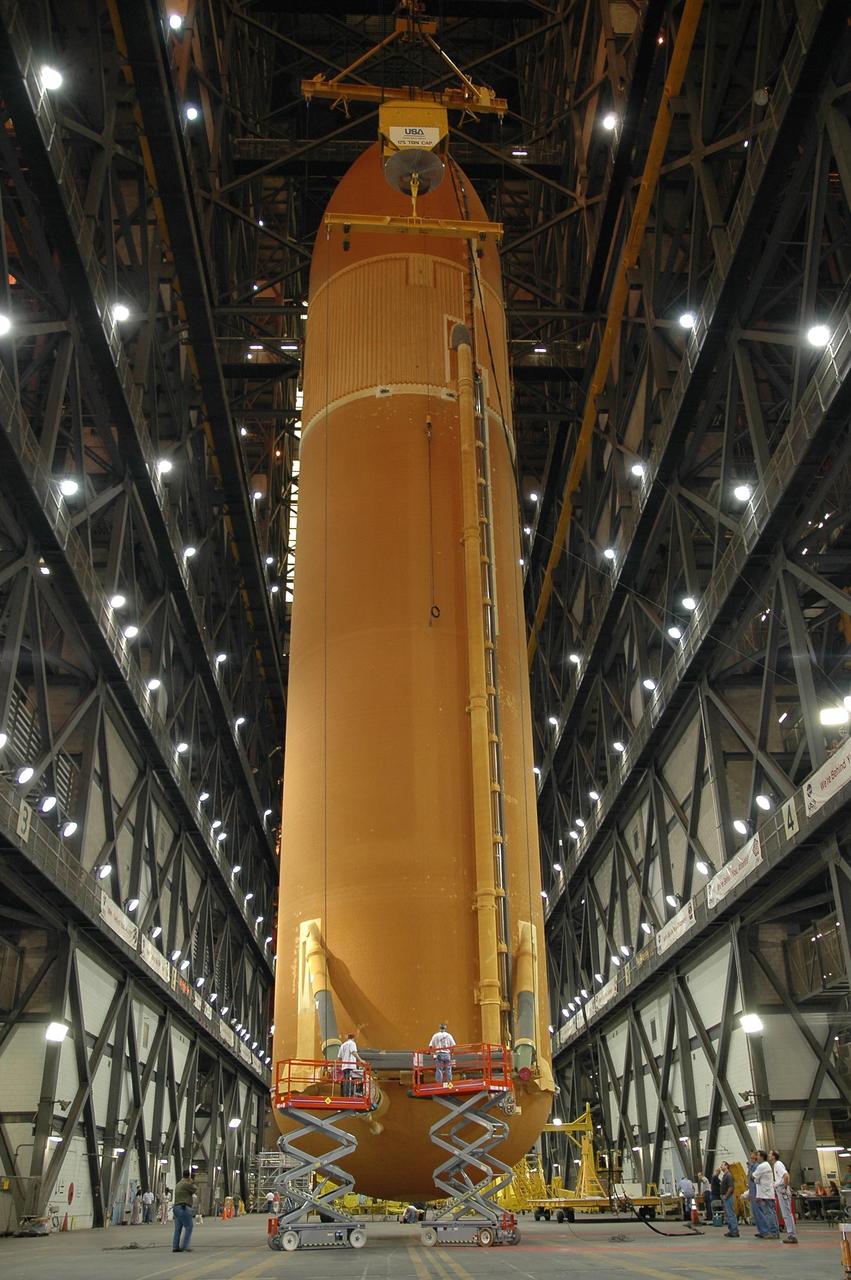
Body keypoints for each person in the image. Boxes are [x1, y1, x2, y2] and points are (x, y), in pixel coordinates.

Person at [769, 1149, 798, 1244]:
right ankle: (791, 1234)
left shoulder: (777, 1164)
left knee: (786, 1214)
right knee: (786, 1213)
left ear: (774, 1156)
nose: (769, 1155)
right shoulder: (776, 1165)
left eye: (770, 1154)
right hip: (780, 1188)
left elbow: (786, 1176)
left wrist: (784, 1188)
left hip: (782, 1189)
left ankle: (792, 1235)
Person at [752, 1149, 779, 1238]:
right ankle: (775, 1232)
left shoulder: (762, 1166)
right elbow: (756, 1179)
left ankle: (773, 1233)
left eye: (758, 1155)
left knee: (768, 1214)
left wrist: (756, 1179)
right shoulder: (766, 1165)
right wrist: (756, 1179)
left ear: (762, 1156)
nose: (757, 1157)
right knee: (771, 1213)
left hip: (765, 1194)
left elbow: (753, 1177)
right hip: (767, 1193)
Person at [172, 1168, 197, 1253]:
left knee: (178, 1228)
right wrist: (192, 1181)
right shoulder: (186, 1184)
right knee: (189, 1227)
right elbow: (194, 1189)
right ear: (189, 1176)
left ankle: (175, 1247)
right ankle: (185, 1246)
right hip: (183, 1207)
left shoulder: (178, 1183)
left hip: (176, 1208)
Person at [337, 1031, 364, 1098]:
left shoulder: (343, 1045)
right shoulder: (352, 1043)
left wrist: (342, 1065)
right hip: (350, 1066)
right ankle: (349, 1096)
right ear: (353, 1038)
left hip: (344, 1067)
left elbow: (339, 1057)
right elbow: (353, 1052)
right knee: (349, 1081)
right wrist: (360, 1060)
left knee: (345, 1081)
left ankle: (345, 1095)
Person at [720, 1161, 739, 1237]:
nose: (721, 1166)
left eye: (722, 1165)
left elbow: (731, 1187)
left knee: (731, 1214)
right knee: (728, 1214)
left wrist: (726, 1196)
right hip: (725, 1197)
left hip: (728, 1197)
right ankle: (731, 1230)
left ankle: (734, 1231)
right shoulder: (725, 1175)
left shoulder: (728, 1175)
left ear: (727, 1166)